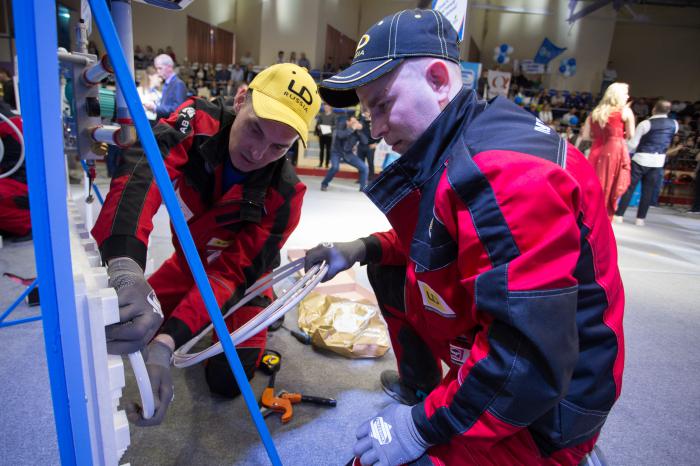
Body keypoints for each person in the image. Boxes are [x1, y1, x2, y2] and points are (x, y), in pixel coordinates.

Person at [306, 9, 624, 466]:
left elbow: (523, 362)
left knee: (370, 461)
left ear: (437, 80)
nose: (374, 128)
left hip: (543, 414)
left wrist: (420, 428)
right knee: (391, 268)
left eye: (381, 104)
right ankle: (426, 388)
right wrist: (363, 248)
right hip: (531, 375)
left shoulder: (506, 174)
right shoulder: (470, 142)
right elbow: (440, 244)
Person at [91, 64, 320, 426]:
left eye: (279, 145)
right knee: (115, 321)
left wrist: (167, 343)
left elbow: (231, 275)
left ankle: (260, 315)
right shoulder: (197, 121)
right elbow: (145, 172)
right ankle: (199, 319)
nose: (259, 153)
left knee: (225, 383)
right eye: (255, 129)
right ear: (241, 100)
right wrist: (124, 264)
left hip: (244, 287)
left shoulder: (287, 194)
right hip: (186, 268)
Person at [614, 99, 678, 225]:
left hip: (641, 159)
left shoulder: (645, 123)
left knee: (629, 188)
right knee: (648, 190)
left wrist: (623, 146)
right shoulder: (674, 124)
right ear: (669, 111)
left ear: (654, 109)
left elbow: (633, 144)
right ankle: (640, 219)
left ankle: (619, 215)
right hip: (658, 161)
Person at [578, 82, 635, 219]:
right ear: (618, 95)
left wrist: (600, 135)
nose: (628, 96)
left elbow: (586, 136)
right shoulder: (625, 111)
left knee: (595, 183)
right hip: (614, 150)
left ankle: (588, 215)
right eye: (626, 93)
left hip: (596, 150)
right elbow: (631, 134)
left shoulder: (595, 113)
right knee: (609, 185)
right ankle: (602, 219)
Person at [0, 102, 29, 241]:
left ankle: (27, 225)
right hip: (25, 185)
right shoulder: (17, 122)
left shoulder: (8, 129)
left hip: (22, 187)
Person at [320, 115, 368, 191]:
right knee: (335, 168)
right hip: (336, 152)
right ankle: (324, 184)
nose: (354, 124)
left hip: (348, 154)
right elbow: (341, 135)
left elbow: (365, 142)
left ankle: (363, 187)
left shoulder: (356, 131)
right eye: (352, 122)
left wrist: (359, 132)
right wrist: (352, 128)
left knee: (364, 168)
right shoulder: (340, 126)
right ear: (347, 122)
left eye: (355, 122)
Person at [146, 54, 187, 121]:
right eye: (157, 69)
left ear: (169, 67)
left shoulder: (178, 84)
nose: (158, 71)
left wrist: (155, 108)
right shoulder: (167, 83)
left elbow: (177, 109)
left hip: (170, 126)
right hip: (163, 124)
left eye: (160, 68)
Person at [315, 102, 336, 168]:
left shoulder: (334, 116)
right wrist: (318, 126)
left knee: (328, 150)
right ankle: (320, 163)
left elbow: (335, 126)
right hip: (322, 135)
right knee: (321, 150)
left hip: (329, 136)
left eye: (327, 106)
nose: (325, 108)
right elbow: (318, 124)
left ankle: (326, 164)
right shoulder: (321, 115)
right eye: (325, 106)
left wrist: (329, 127)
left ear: (330, 107)